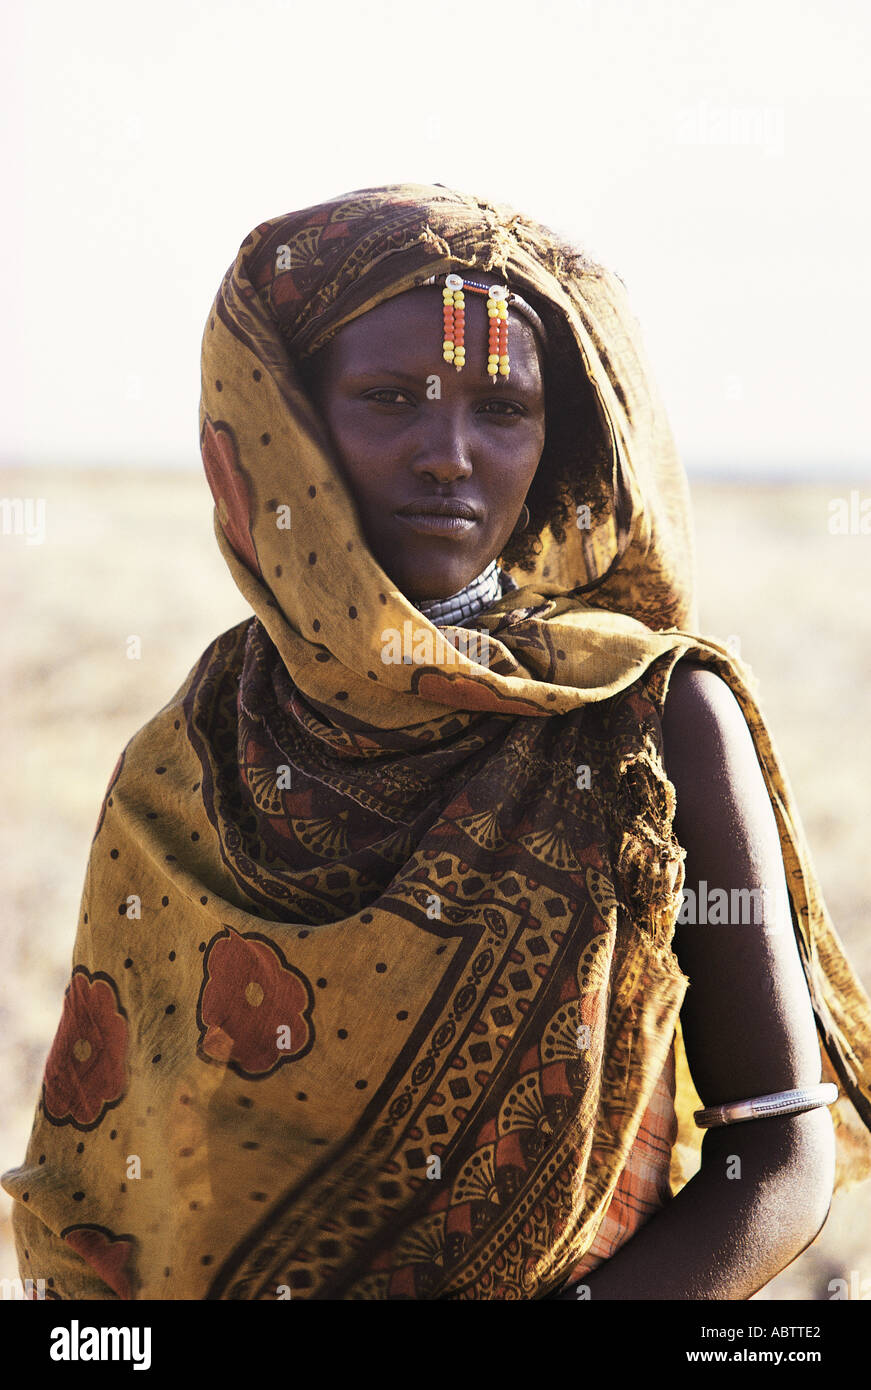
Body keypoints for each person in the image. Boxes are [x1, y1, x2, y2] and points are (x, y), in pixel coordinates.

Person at [4, 182, 870, 1301]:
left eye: (502, 408)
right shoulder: (190, 757)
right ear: (290, 426)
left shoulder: (649, 720)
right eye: (387, 398)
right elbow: (107, 1199)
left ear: (555, 442)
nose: (448, 453)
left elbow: (777, 1152)